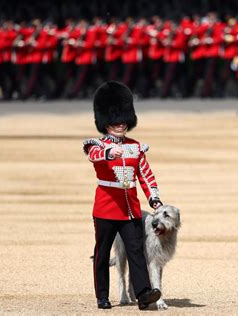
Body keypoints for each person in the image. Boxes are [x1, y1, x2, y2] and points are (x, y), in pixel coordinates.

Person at [83, 81, 162, 310]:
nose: (120, 125)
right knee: (102, 253)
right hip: (107, 208)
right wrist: (109, 152)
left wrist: (154, 198)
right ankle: (103, 296)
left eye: (123, 121)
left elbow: (145, 174)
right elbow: (95, 155)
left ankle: (144, 293)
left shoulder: (136, 147)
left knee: (136, 252)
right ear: (106, 123)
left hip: (130, 209)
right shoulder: (97, 144)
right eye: (115, 122)